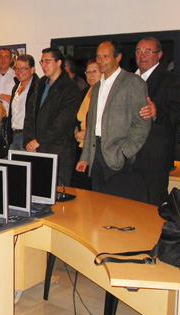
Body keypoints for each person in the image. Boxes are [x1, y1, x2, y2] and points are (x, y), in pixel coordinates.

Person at [76, 41, 150, 192]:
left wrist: (125, 151)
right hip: (96, 153)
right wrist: (85, 156)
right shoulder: (96, 87)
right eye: (98, 56)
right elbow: (92, 124)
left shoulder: (133, 82)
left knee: (117, 205)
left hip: (117, 154)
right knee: (98, 202)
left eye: (105, 56)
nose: (100, 60)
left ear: (118, 57)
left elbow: (142, 123)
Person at [132, 37, 180, 205]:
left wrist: (156, 112)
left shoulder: (171, 80)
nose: (142, 55)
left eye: (148, 51)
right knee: (128, 204)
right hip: (128, 153)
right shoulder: (128, 80)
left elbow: (176, 112)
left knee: (152, 205)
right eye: (138, 51)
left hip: (154, 156)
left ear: (159, 55)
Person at [23, 48, 81, 186]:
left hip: (58, 151)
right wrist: (29, 141)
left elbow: (62, 121)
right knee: (36, 193)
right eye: (42, 61)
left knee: (57, 197)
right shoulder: (40, 84)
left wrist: (40, 140)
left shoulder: (70, 88)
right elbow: (29, 115)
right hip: (37, 150)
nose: (43, 65)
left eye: (47, 61)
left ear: (59, 62)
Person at [71, 59, 102, 190]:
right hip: (80, 144)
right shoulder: (84, 92)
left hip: (96, 147)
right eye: (87, 72)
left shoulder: (104, 93)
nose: (90, 75)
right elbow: (75, 117)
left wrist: (87, 133)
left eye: (94, 71)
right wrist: (76, 132)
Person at [6, 54, 39, 151]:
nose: (19, 72)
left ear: (32, 70)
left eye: (24, 69)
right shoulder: (16, 87)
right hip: (14, 135)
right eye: (17, 68)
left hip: (28, 137)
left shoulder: (37, 88)